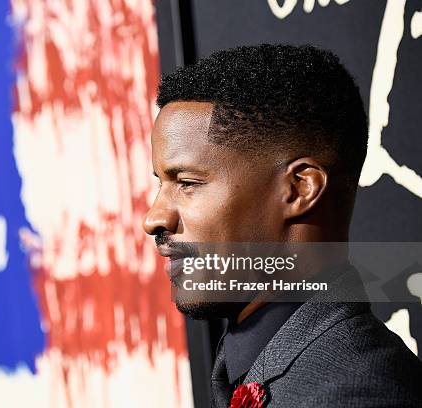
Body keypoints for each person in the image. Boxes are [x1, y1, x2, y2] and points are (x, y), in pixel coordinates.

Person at [143, 44, 422, 407]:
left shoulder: (357, 395)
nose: (154, 219)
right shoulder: (254, 367)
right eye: (159, 183)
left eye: (188, 183)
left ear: (300, 189)